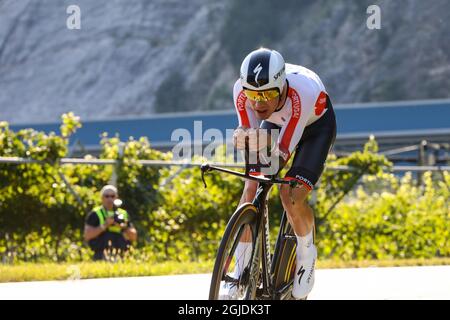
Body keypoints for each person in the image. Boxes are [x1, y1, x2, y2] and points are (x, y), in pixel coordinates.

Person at [229, 48, 336, 299]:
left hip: (314, 127)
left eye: (266, 94)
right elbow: (250, 134)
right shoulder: (241, 91)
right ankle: (239, 271)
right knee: (251, 186)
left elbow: (282, 150)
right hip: (276, 125)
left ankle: (306, 256)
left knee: (290, 193)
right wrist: (244, 137)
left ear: (281, 86)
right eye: (252, 94)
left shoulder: (303, 92)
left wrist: (257, 140)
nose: (258, 102)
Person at [84, 185, 138, 261]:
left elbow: (134, 236)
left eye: (112, 196)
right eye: (107, 196)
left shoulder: (123, 214)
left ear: (116, 197)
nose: (110, 199)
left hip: (122, 254)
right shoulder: (95, 213)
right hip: (101, 255)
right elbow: (87, 235)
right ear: (102, 198)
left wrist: (123, 227)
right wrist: (105, 225)